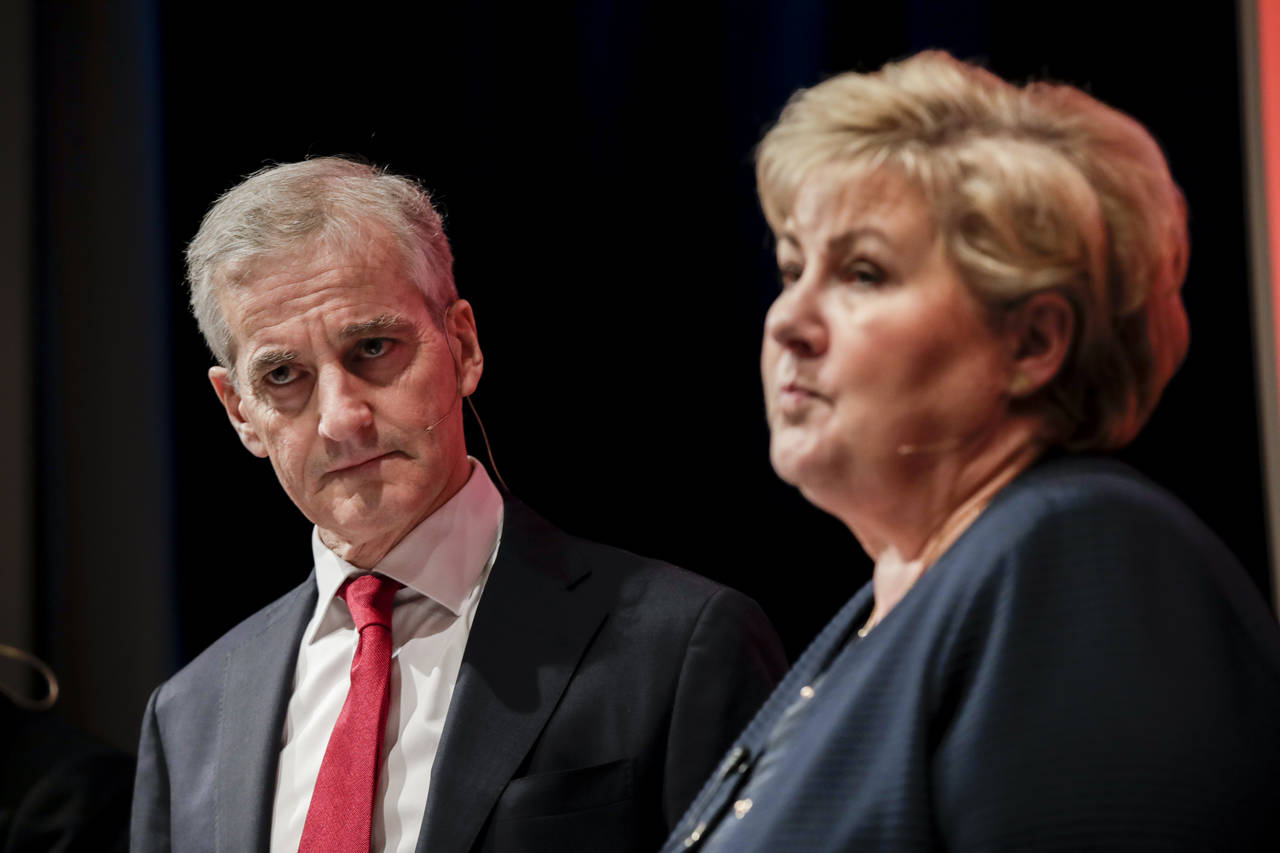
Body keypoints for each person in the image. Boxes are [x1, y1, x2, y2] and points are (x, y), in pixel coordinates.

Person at [664, 51, 1280, 851]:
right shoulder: (906, 600)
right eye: (790, 267)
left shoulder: (1079, 557)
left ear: (1031, 342)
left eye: (862, 272)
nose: (788, 319)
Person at [130, 157, 787, 853]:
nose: (341, 418)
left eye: (373, 348)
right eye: (284, 375)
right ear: (240, 411)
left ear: (463, 344)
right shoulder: (189, 719)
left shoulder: (683, 647)